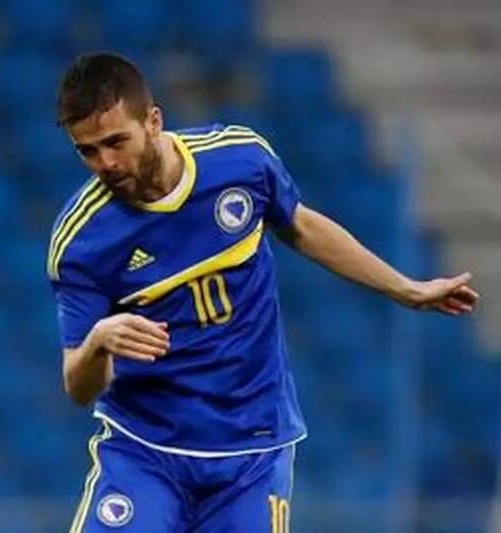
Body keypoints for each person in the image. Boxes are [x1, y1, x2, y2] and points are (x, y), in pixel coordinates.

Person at [46, 52, 479, 532]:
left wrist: (405, 288)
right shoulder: (83, 241)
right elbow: (78, 386)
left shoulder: (239, 161)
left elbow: (301, 226)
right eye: (87, 151)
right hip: (144, 450)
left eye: (115, 142)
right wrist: (99, 340)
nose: (105, 163)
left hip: (251, 449)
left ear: (153, 121)